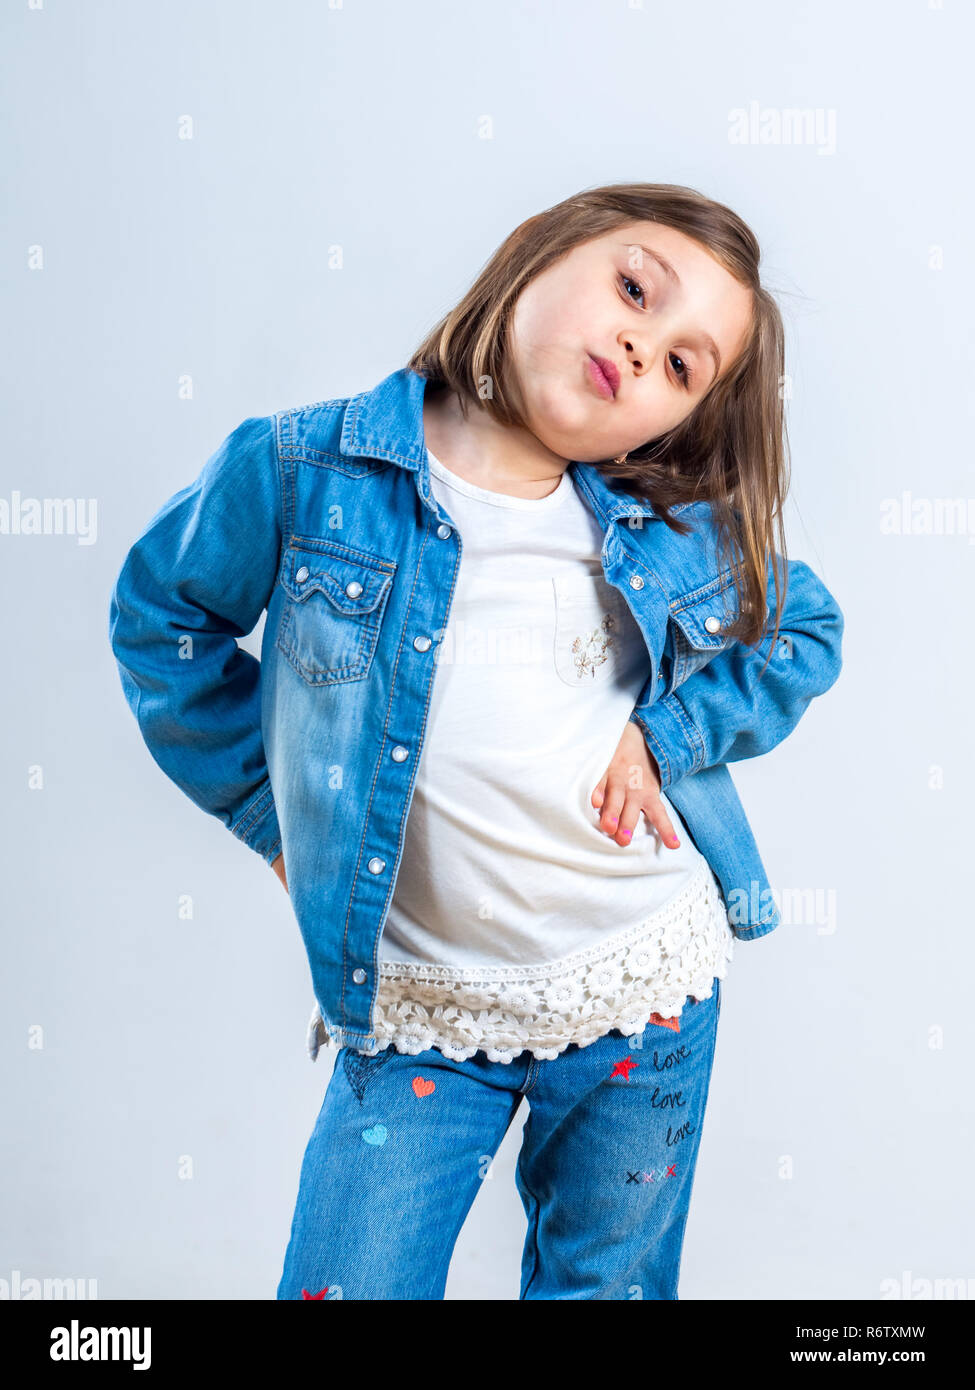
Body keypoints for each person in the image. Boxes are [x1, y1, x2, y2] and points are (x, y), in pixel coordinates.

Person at [108, 183, 844, 1300]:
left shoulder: (652, 530)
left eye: (684, 370)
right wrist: (272, 816)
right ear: (539, 251)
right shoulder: (308, 471)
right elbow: (160, 617)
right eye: (636, 287)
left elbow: (807, 627)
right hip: (422, 1014)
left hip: (641, 995)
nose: (644, 346)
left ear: (669, 424)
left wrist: (666, 734)